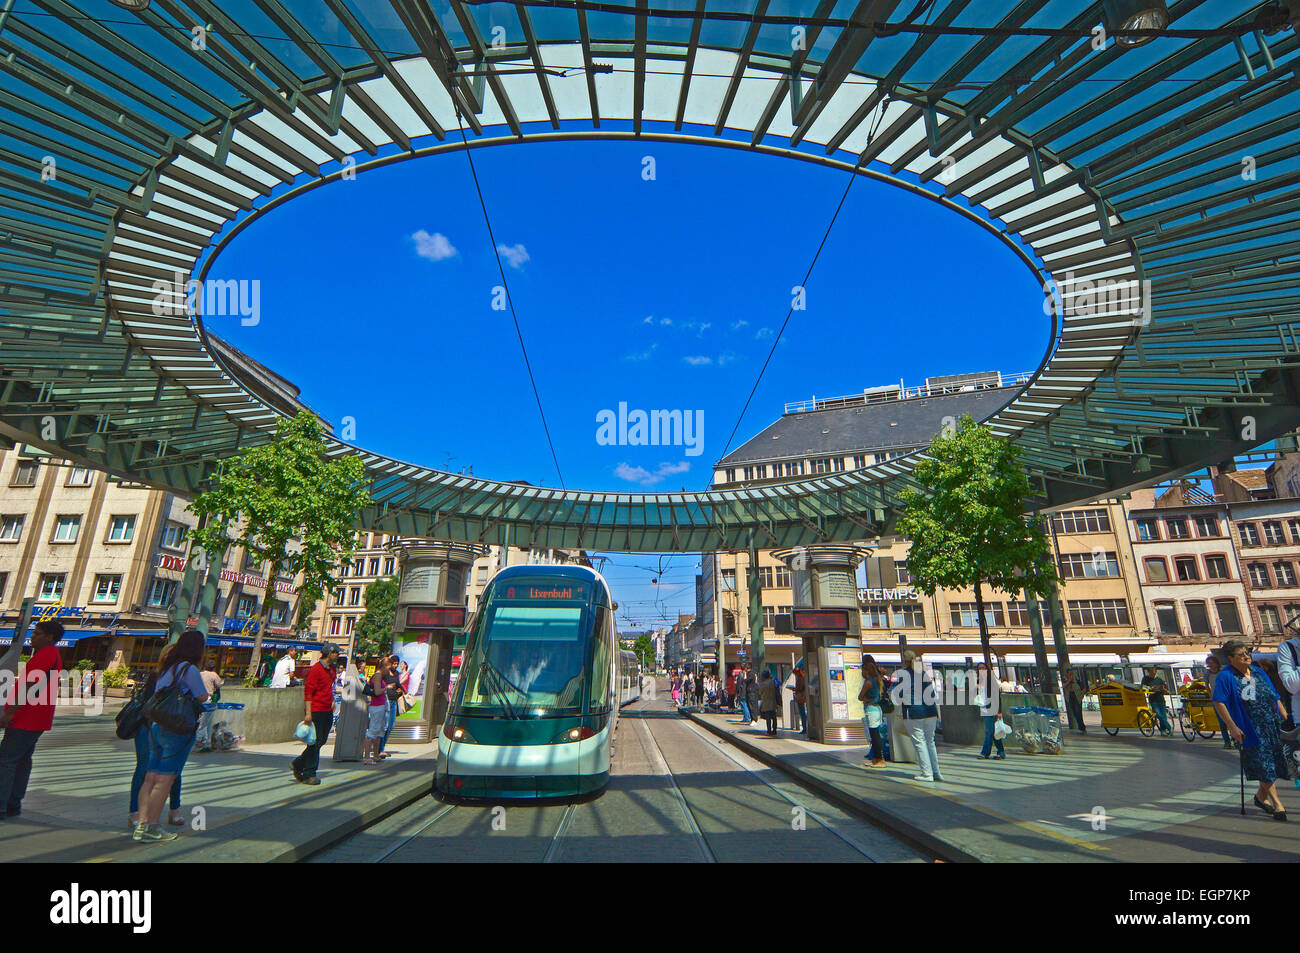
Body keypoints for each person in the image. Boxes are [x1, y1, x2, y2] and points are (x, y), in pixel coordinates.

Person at [135, 629, 209, 843]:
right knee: (165, 780)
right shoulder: (190, 670)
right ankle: (152, 826)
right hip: (176, 730)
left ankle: (141, 823)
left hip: (156, 727)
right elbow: (202, 697)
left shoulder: (169, 669)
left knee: (150, 777)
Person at [1212, 639, 1289, 820]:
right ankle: (1278, 805)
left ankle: (1261, 798)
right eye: (1241, 654)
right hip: (1249, 728)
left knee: (1274, 764)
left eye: (1247, 653)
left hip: (1271, 725)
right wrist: (1232, 726)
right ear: (1230, 658)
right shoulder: (1226, 676)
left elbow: (1275, 696)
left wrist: (1285, 718)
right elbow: (1218, 701)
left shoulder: (1258, 672)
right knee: (1263, 765)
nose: (1247, 656)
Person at [0, 620, 64, 820]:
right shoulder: (53, 655)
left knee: (6, 761)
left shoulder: (45, 655)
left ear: (49, 637)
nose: (32, 636)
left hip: (26, 718)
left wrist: (9, 714)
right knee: (22, 761)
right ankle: (13, 804)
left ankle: (2, 805)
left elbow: (28, 687)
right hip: (37, 718)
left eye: (37, 633)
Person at [128, 644, 185, 829]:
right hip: (149, 727)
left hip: (168, 730)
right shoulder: (157, 676)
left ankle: (173, 810)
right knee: (145, 769)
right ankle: (136, 813)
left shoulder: (183, 677)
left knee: (173, 772)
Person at [292, 643, 340, 785]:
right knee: (314, 742)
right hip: (316, 710)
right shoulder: (316, 669)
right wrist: (308, 713)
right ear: (329, 653)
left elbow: (329, 688)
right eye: (336, 652)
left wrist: (332, 701)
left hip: (327, 709)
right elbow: (308, 692)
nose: (338, 655)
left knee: (321, 741)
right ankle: (309, 773)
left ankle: (298, 763)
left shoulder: (331, 669)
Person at [899, 650, 942, 782]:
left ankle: (926, 773)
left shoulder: (904, 674)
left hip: (914, 712)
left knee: (919, 743)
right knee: (930, 742)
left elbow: (899, 694)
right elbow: (932, 695)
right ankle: (936, 772)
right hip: (930, 712)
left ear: (904, 661)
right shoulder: (923, 673)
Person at [858, 655, 885, 767]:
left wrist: (865, 699)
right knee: (876, 734)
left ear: (866, 670)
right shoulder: (877, 680)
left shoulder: (868, 682)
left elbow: (860, 696)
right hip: (877, 709)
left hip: (871, 709)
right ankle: (877, 758)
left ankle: (878, 759)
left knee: (874, 735)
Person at [976, 661, 1005, 760]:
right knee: (993, 732)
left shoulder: (991, 680)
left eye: (983, 668)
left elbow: (997, 696)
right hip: (984, 709)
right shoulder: (980, 681)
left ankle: (985, 753)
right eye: (979, 668)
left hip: (992, 708)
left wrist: (999, 710)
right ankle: (1001, 752)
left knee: (990, 731)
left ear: (987, 669)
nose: (981, 670)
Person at [363, 657, 389, 765]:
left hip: (379, 706)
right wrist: (386, 688)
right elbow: (377, 691)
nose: (389, 670)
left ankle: (375, 755)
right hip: (377, 706)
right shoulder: (378, 676)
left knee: (379, 731)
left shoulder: (379, 676)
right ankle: (367, 757)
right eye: (388, 667)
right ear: (384, 666)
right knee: (373, 730)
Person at [1204, 655, 1233, 748]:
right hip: (1217, 700)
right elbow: (1206, 685)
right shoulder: (1207, 674)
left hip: (1227, 698)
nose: (1210, 665)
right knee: (1222, 722)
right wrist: (1211, 696)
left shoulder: (1223, 671)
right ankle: (1227, 742)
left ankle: (1236, 739)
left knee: (1232, 720)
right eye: (1209, 664)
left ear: (1216, 663)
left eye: (1212, 663)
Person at [195, 658, 224, 751]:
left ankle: (201, 740)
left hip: (198, 698)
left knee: (200, 720)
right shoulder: (214, 675)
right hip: (208, 699)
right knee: (207, 721)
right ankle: (204, 741)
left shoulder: (200, 674)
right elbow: (219, 685)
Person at [380, 654, 402, 758]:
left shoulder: (397, 674)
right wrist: (387, 687)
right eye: (394, 663)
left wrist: (400, 690)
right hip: (386, 701)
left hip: (394, 701)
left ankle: (381, 747)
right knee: (385, 726)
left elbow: (398, 685)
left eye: (397, 663)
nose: (396, 665)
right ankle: (380, 749)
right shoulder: (384, 674)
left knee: (390, 726)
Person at [1141, 666, 1173, 735]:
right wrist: (1150, 688)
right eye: (1151, 671)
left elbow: (1165, 689)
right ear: (1149, 671)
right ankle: (1169, 728)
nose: (1153, 673)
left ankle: (1163, 730)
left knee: (1163, 716)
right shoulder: (1145, 679)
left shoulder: (1159, 679)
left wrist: (1164, 690)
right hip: (1153, 700)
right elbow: (1143, 687)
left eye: (1154, 671)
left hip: (1161, 699)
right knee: (1159, 715)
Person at [1061, 666, 1086, 733]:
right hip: (1070, 696)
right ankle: (1081, 726)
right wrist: (1069, 680)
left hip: (1077, 696)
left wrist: (1082, 694)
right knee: (1074, 712)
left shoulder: (1077, 679)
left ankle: (1082, 727)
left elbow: (1083, 687)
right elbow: (1063, 686)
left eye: (1072, 673)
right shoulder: (1065, 679)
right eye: (1069, 674)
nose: (1071, 675)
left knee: (1078, 712)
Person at [757, 670, 780, 736]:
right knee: (774, 716)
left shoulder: (762, 684)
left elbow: (760, 693)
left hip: (766, 701)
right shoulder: (773, 682)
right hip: (773, 701)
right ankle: (774, 730)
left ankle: (769, 731)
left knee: (768, 717)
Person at [792, 664, 808, 735]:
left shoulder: (800, 679)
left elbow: (799, 688)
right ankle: (805, 728)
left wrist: (794, 689)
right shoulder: (803, 677)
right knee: (803, 713)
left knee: (802, 713)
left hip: (801, 698)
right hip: (803, 697)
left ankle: (805, 728)